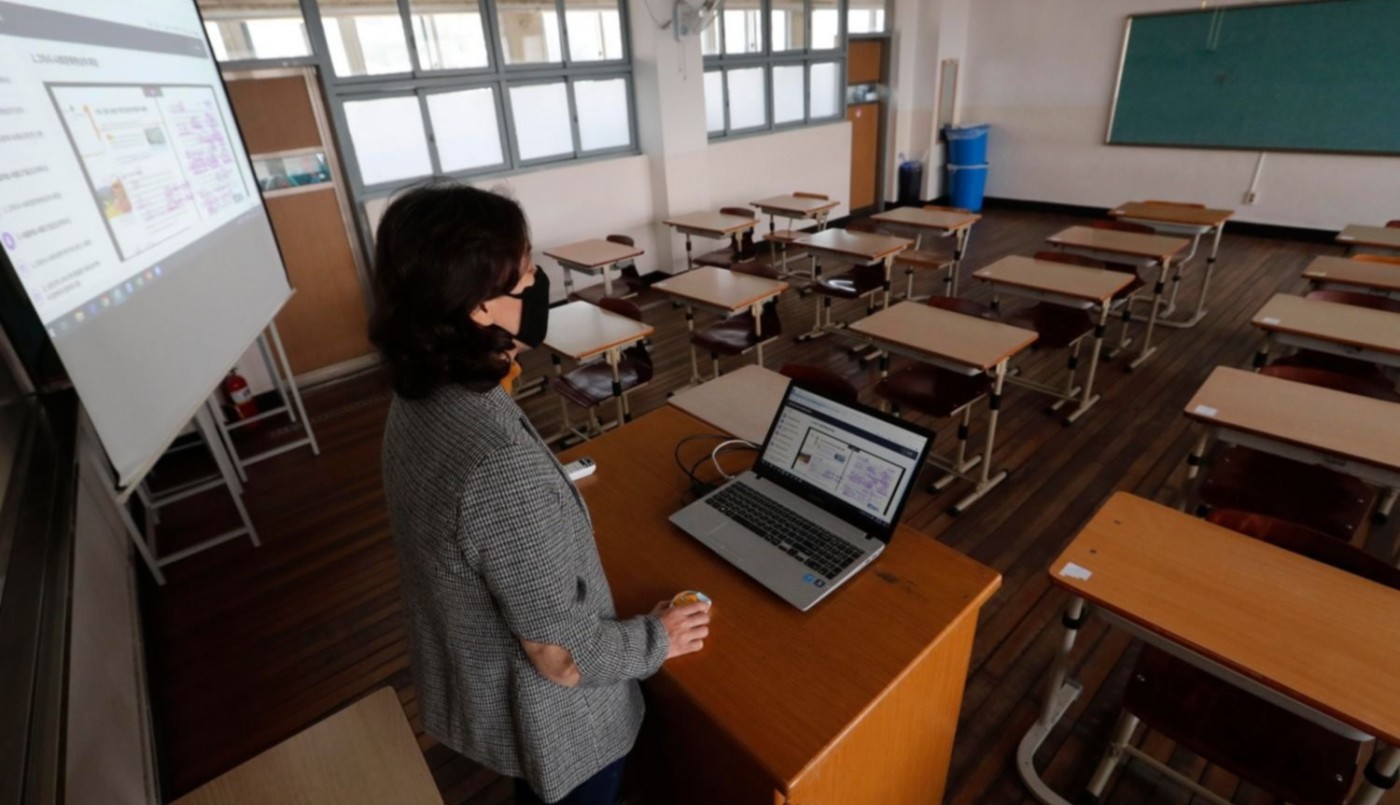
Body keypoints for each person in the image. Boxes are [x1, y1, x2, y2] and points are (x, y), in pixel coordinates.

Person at [370, 182, 711, 805]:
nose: (540, 286)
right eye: (526, 278)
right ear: (477, 308)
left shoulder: (417, 393)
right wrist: (662, 636)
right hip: (561, 728)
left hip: (480, 679)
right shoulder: (495, 466)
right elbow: (563, 658)